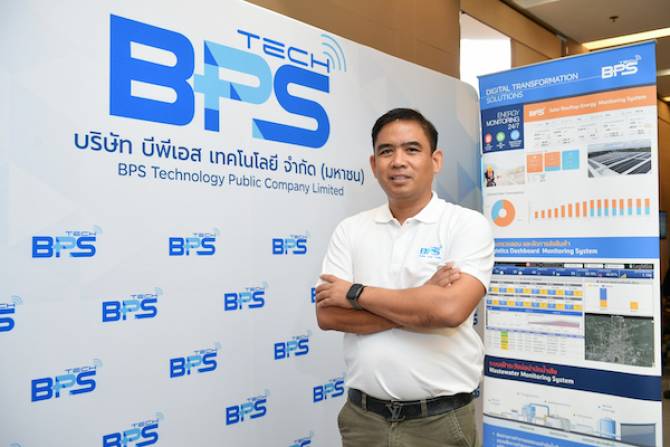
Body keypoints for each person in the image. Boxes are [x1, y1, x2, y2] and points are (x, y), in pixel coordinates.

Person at [315, 108, 494, 447]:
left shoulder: (466, 225)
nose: (398, 161)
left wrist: (355, 293)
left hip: (440, 422)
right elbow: (328, 315)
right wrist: (421, 301)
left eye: (412, 149)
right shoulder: (350, 230)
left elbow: (450, 311)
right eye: (387, 151)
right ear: (374, 164)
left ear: (435, 160)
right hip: (363, 420)